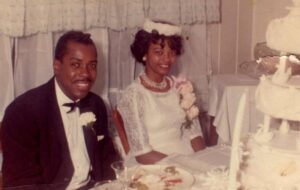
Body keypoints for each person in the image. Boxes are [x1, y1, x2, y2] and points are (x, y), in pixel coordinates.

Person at [1, 31, 119, 189]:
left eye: (92, 65)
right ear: (57, 66)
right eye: (76, 65)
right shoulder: (23, 112)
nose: (85, 73)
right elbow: (21, 184)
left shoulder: (96, 104)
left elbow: (107, 159)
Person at [118, 19, 206, 165]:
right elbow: (142, 154)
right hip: (154, 165)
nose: (166, 59)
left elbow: (195, 136)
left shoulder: (181, 87)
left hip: (187, 157)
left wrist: (203, 162)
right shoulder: (134, 95)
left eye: (171, 53)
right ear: (144, 54)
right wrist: (184, 164)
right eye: (158, 52)